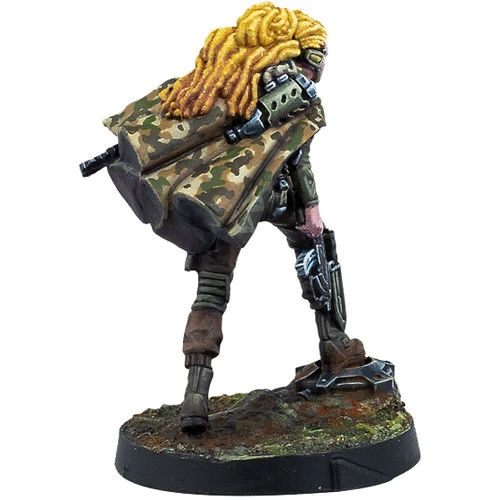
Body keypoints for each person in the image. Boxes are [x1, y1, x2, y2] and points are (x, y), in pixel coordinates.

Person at [155, 3, 367, 432]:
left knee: (211, 291)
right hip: (276, 193)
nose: (320, 66)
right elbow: (298, 158)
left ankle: (195, 396)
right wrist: (311, 208)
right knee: (315, 249)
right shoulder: (297, 91)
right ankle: (335, 345)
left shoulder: (224, 77)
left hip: (223, 199)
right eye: (317, 56)